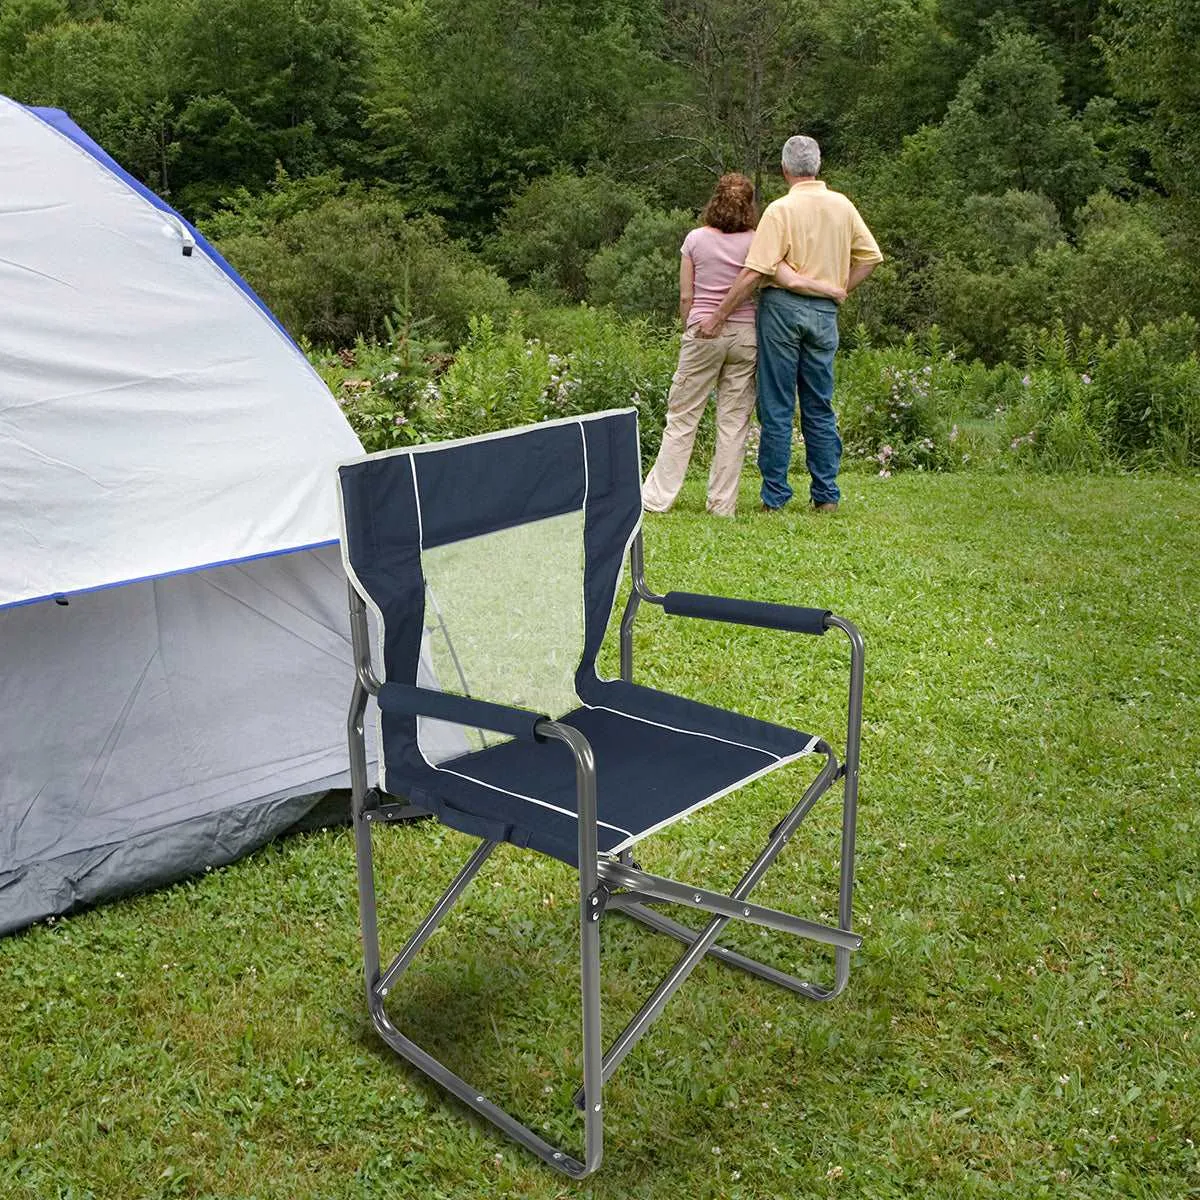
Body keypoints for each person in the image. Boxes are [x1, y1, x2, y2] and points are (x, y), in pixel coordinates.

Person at [697, 135, 883, 513]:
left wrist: (719, 314)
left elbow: (755, 272)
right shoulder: (843, 206)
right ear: (818, 166)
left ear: (785, 169)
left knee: (778, 404)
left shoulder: (780, 211)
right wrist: (837, 288)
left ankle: (776, 497)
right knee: (819, 404)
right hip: (825, 312)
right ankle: (826, 495)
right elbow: (871, 257)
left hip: (782, 310)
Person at [642, 172, 845, 517]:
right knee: (733, 423)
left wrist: (691, 326)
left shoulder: (694, 240)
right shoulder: (758, 241)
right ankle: (722, 503)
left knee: (682, 418)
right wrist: (830, 290)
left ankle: (657, 499)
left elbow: (685, 295)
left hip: (703, 334)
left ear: (714, 201)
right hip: (745, 336)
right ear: (751, 206)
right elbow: (782, 278)